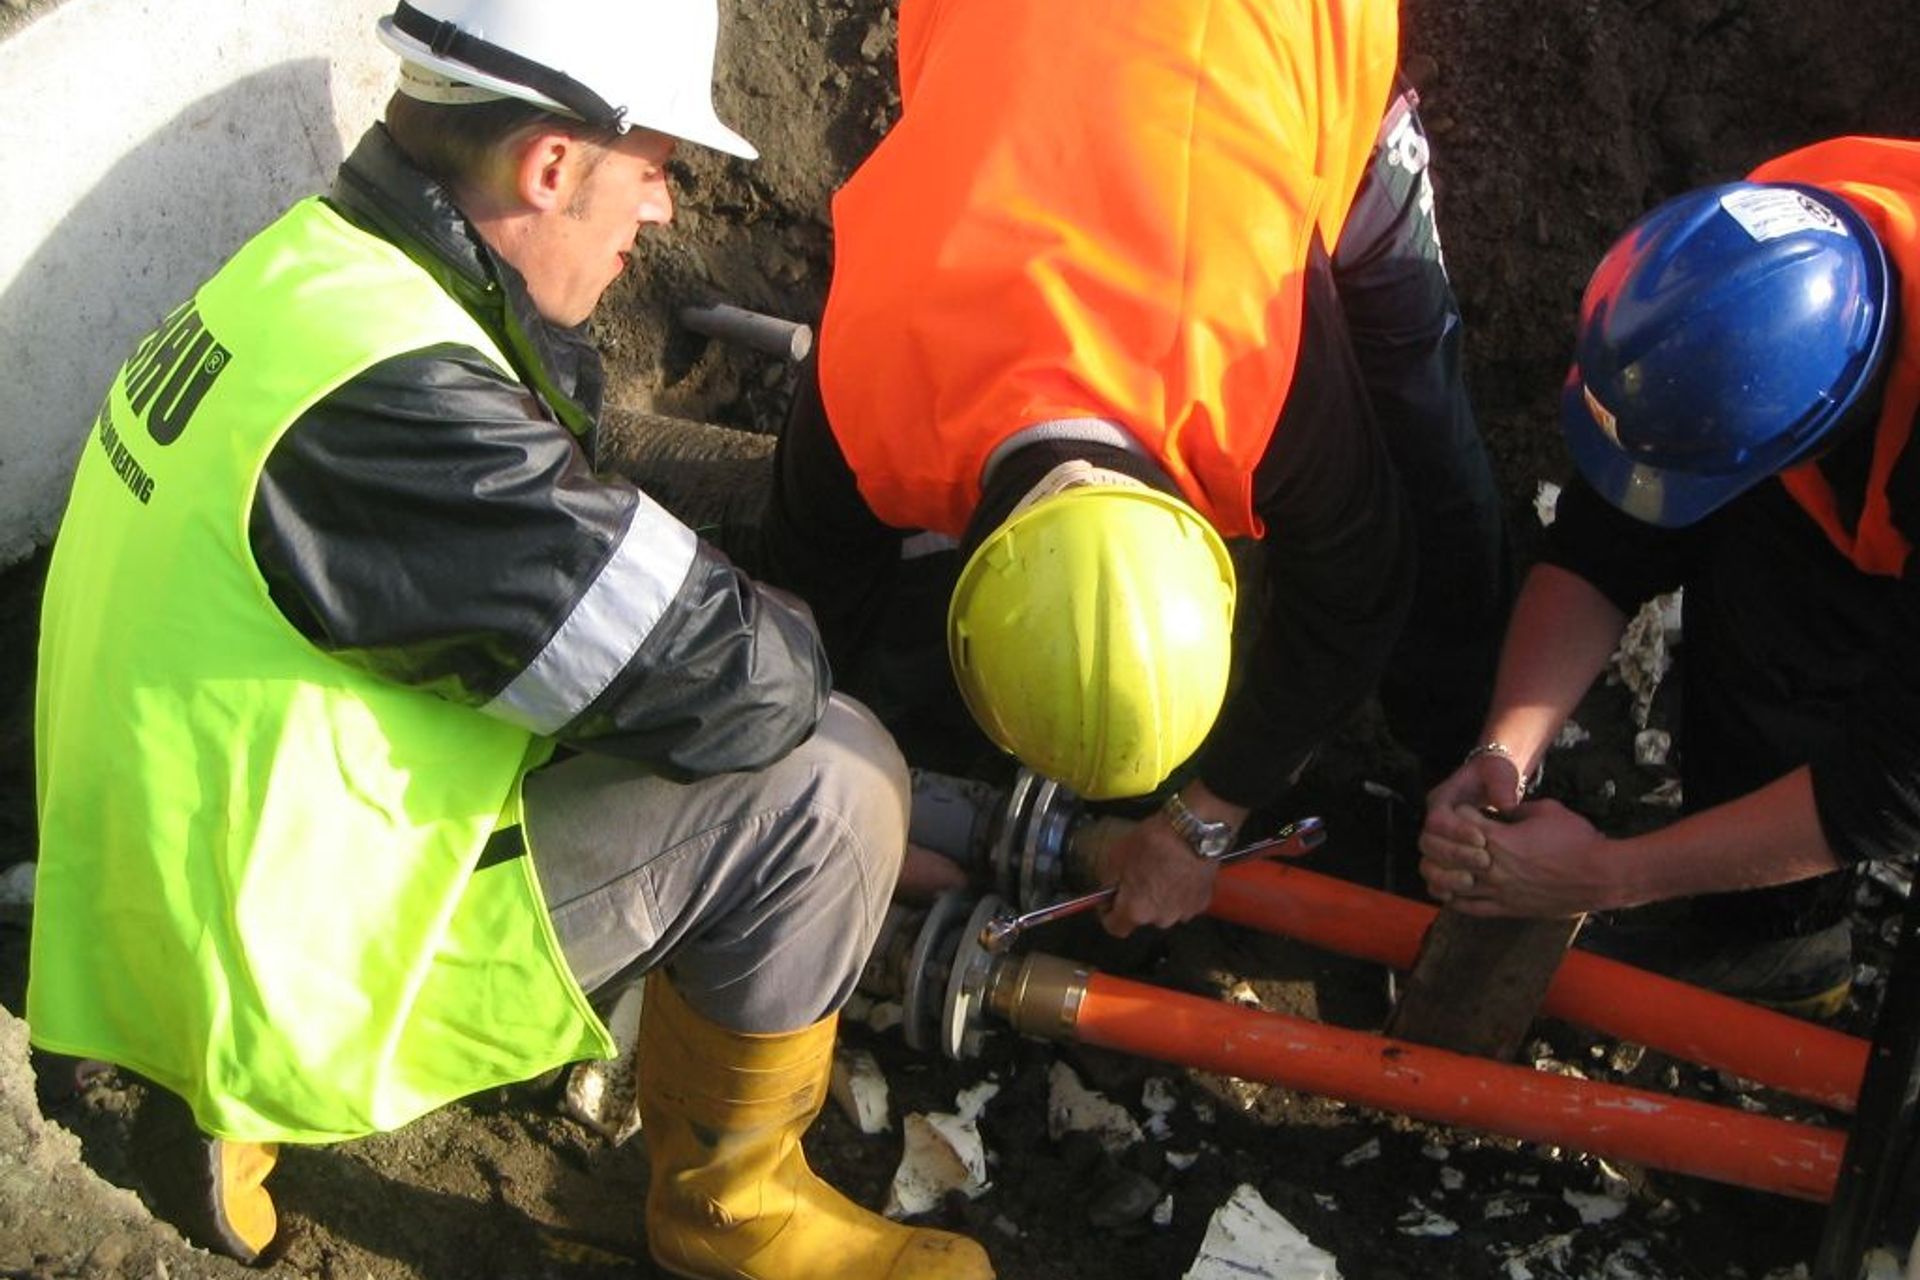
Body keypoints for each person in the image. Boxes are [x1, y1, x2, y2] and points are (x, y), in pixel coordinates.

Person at [25, 3, 993, 1277]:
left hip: (142, 905)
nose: (660, 210)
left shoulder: (313, 281)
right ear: (550, 165)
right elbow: (743, 685)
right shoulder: (410, 411)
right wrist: (807, 623)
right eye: (651, 169)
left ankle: (214, 1083)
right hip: (275, 969)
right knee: (832, 775)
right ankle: (734, 1207)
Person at [756, 0, 1512, 937]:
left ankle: (1468, 757)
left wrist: (1206, 818)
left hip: (1278, 36)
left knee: (1421, 433)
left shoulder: (1258, 370)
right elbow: (804, 596)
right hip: (1030, 60)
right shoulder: (866, 385)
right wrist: (831, 794)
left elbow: (1361, 582)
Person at [1418, 136, 1918, 1019]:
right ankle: (1778, 944)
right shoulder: (1749, 259)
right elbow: (1605, 544)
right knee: (1770, 587)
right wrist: (1503, 752)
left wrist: (1608, 876)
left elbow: (1891, 793)